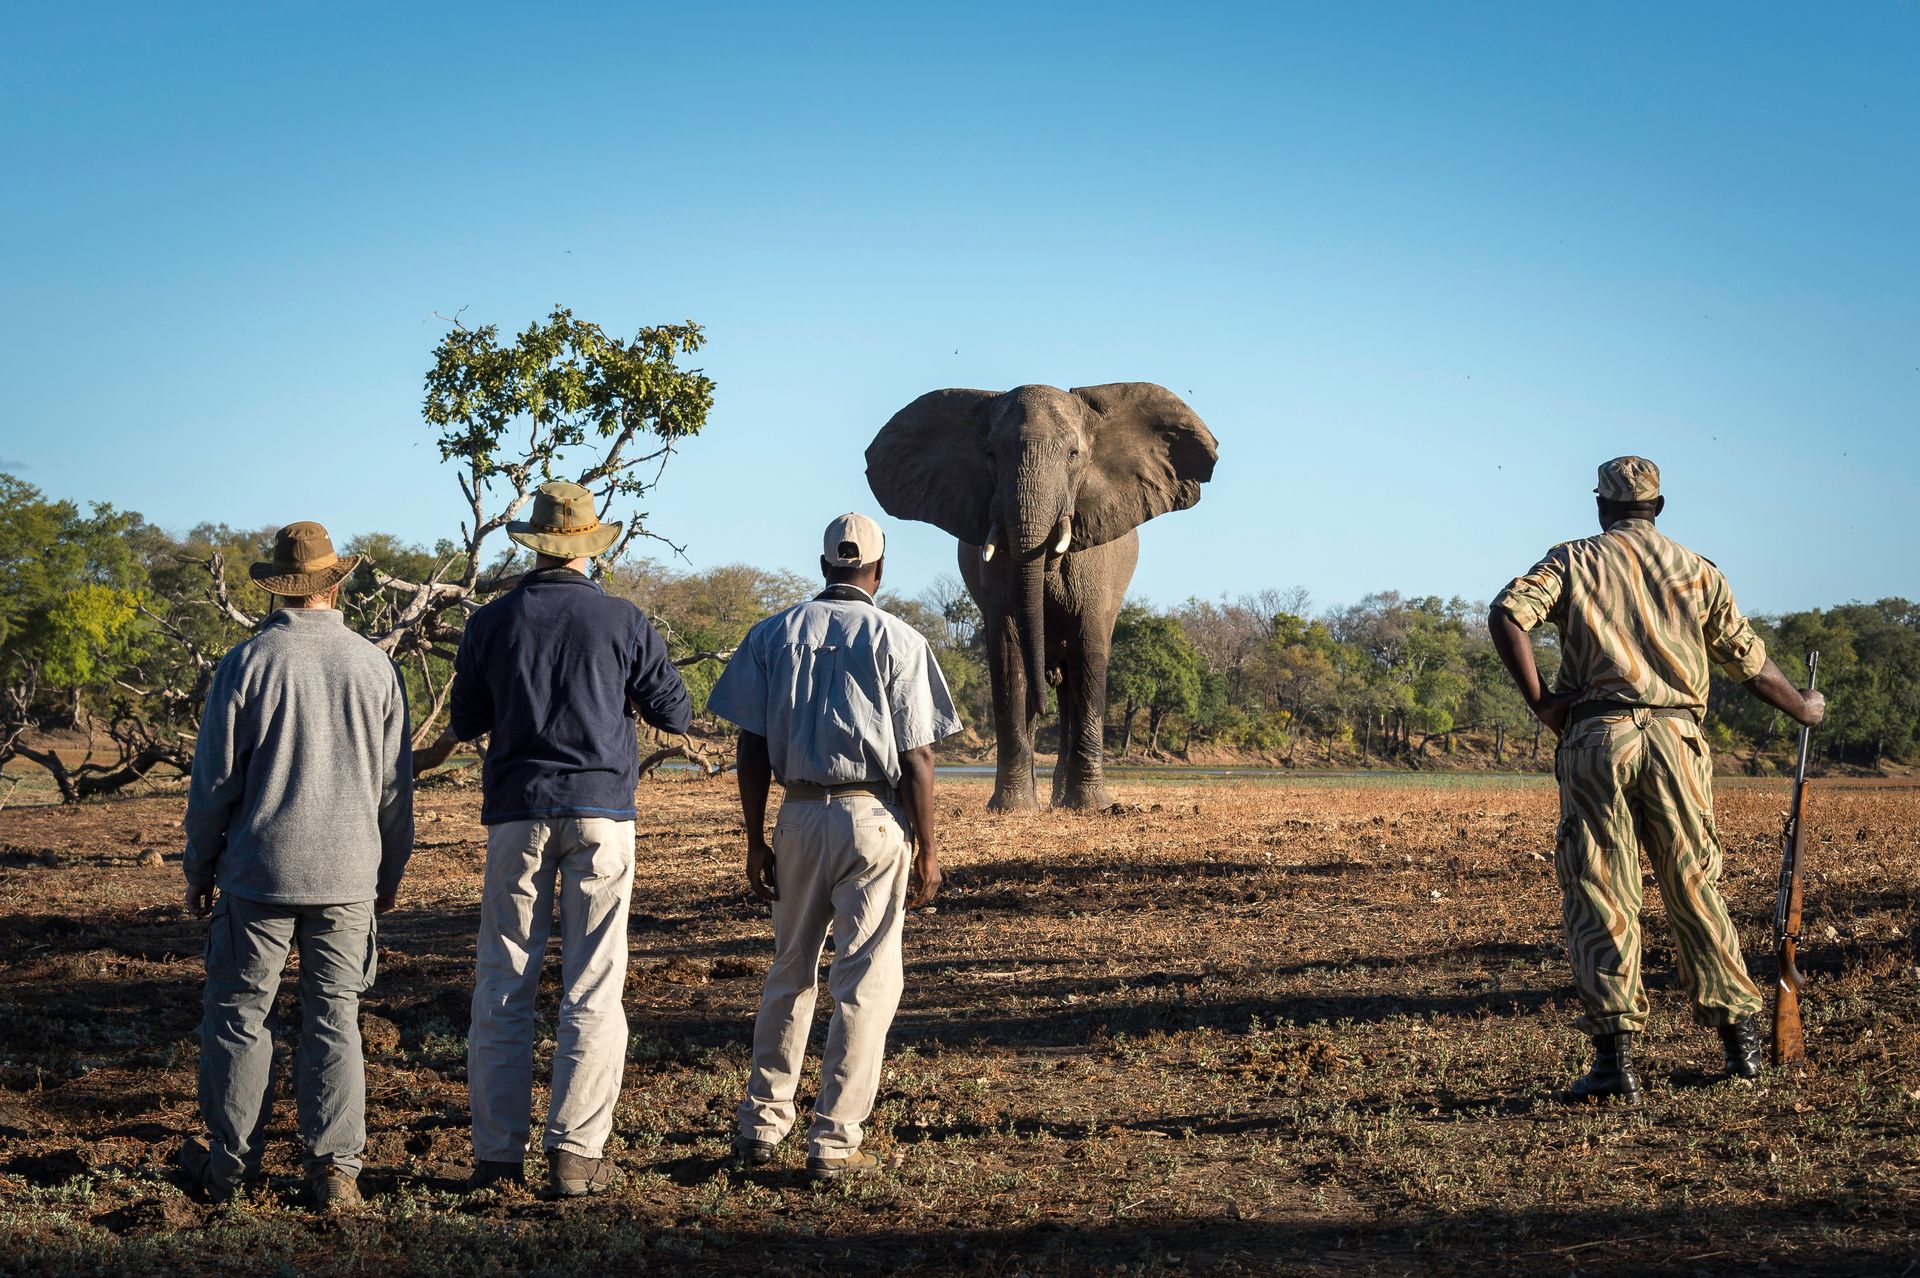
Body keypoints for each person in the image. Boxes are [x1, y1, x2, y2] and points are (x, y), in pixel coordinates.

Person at [1489, 456, 1825, 1103]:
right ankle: (1741, 1049)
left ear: (1600, 506)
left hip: (1598, 735)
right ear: (1659, 509)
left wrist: (1542, 703)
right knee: (1695, 884)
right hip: (1676, 740)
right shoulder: (1697, 570)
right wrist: (1805, 707)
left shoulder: (1571, 560)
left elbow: (1509, 614)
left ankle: (1617, 1064)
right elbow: (1750, 663)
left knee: (1600, 889)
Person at [436, 480, 691, 1197]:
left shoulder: (491, 621)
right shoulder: (623, 618)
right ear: (587, 547)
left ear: (536, 546)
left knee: (503, 983)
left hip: (516, 813)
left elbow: (466, 719)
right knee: (594, 986)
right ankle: (576, 1154)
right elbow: (676, 712)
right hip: (602, 815)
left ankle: (495, 1156)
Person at [706, 512, 960, 1181]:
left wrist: (755, 837)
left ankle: (763, 1123)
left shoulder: (772, 633)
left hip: (796, 815)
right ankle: (834, 1140)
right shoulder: (900, 639)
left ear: (824, 566)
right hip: (873, 817)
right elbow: (920, 757)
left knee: (790, 969)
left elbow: (751, 745)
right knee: (865, 981)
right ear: (879, 568)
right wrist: (929, 850)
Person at [178, 521, 413, 1211]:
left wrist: (200, 866)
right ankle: (336, 1171)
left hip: (258, 872)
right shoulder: (376, 667)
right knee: (335, 1016)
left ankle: (228, 1169)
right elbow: (394, 791)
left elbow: (213, 785)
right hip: (348, 875)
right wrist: (388, 873)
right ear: (335, 584)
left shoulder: (246, 663)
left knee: (240, 1015)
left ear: (279, 588)